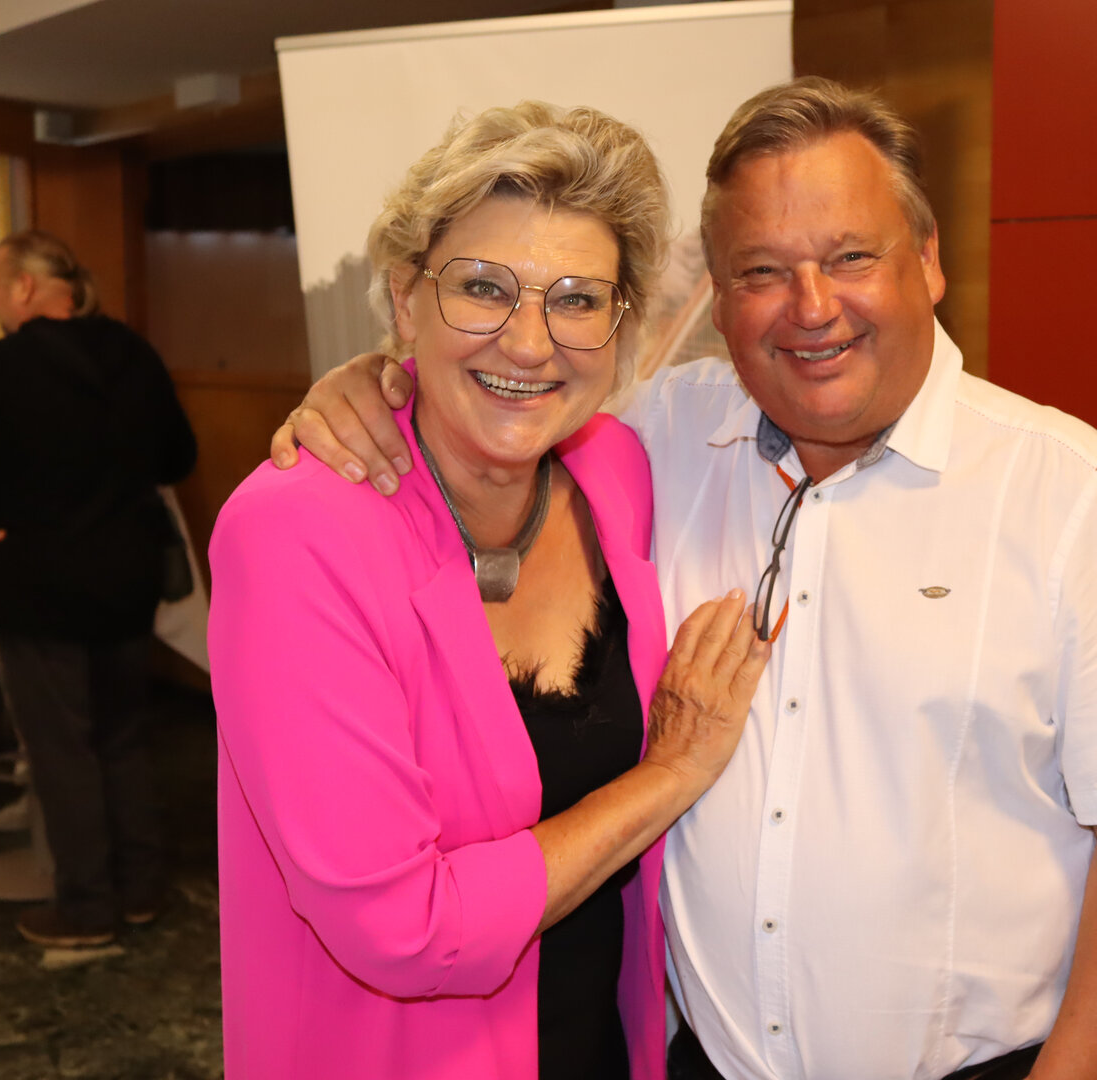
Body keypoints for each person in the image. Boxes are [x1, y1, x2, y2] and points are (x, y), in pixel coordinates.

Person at [272, 79, 1097, 1080]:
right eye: (762, 271)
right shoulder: (657, 441)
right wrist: (376, 382)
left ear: (926, 260)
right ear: (720, 298)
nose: (812, 308)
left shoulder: (1063, 491)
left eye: (850, 257)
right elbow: (511, 385)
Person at [208, 102, 769, 1080]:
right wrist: (673, 772)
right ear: (404, 300)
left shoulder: (617, 471)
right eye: (481, 288)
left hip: (603, 1045)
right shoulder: (296, 533)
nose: (529, 342)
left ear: (620, 327)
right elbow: (405, 929)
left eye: (577, 300)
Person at [0, 229, 197, 946]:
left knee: (61, 750)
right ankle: (141, 888)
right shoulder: (133, 354)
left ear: (24, 287)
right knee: (123, 739)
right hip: (127, 580)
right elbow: (178, 456)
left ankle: (85, 911)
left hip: (38, 587)